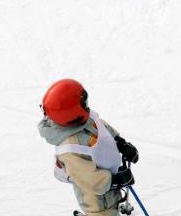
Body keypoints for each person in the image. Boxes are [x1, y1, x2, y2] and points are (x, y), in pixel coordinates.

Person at [38, 79, 141, 216]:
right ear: (71, 113)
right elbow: (90, 180)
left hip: (109, 177)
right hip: (96, 197)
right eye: (83, 103)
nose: (86, 105)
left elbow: (101, 126)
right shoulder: (70, 149)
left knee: (114, 202)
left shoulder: (84, 117)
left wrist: (120, 142)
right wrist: (116, 180)